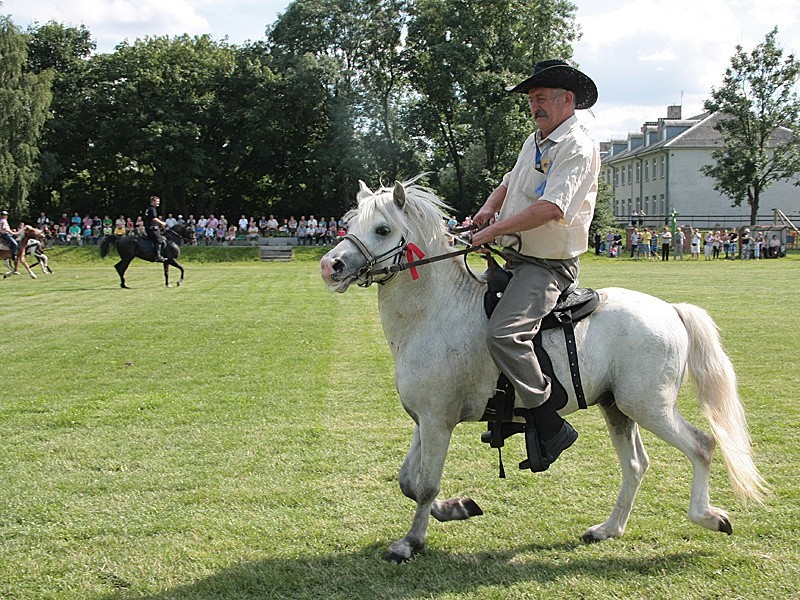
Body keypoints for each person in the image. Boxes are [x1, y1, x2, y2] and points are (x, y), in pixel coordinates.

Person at [470, 59, 599, 472]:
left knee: (505, 333)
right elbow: (509, 182)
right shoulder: (536, 140)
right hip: (516, 254)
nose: (534, 106)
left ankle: (548, 421)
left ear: (567, 100)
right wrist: (488, 210)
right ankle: (504, 407)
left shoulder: (577, 147)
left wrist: (491, 233)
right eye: (531, 100)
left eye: (541, 98)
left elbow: (552, 207)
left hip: (547, 265)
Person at [144, 195, 168, 261]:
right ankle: (158, 256)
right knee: (159, 240)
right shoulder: (152, 209)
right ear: (152, 201)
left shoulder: (149, 208)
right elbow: (153, 218)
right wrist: (162, 223)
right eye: (157, 201)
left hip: (150, 227)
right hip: (151, 228)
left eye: (158, 201)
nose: (158, 203)